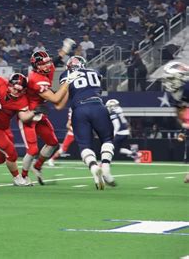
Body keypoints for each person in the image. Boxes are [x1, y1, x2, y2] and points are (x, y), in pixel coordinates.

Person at [19, 39, 75, 185]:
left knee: (53, 142)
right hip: (29, 114)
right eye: (43, 63)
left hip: (40, 113)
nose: (48, 65)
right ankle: (22, 177)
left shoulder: (45, 68)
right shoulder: (36, 79)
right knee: (32, 150)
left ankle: (37, 166)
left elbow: (56, 60)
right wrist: (68, 82)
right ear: (37, 66)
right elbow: (56, 99)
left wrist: (65, 48)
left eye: (47, 62)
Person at [59, 56, 115, 190]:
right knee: (107, 139)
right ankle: (106, 166)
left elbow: (64, 94)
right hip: (97, 105)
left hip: (79, 109)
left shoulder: (65, 74)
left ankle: (94, 167)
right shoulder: (94, 72)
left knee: (84, 145)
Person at [0, 73, 39, 186]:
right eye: (14, 88)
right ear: (9, 84)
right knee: (11, 153)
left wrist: (34, 112)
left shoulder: (22, 100)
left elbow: (23, 117)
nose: (15, 91)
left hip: (4, 128)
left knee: (0, 157)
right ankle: (17, 178)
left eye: (19, 90)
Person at [160, 61, 189, 183]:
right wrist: (184, 129)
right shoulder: (176, 95)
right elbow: (184, 114)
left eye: (171, 78)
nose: (168, 81)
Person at [106, 99, 137, 164]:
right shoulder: (119, 111)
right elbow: (126, 122)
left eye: (109, 106)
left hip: (120, 133)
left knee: (109, 146)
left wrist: (113, 135)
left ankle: (106, 161)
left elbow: (117, 125)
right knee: (118, 149)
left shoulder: (113, 113)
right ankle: (133, 153)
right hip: (125, 132)